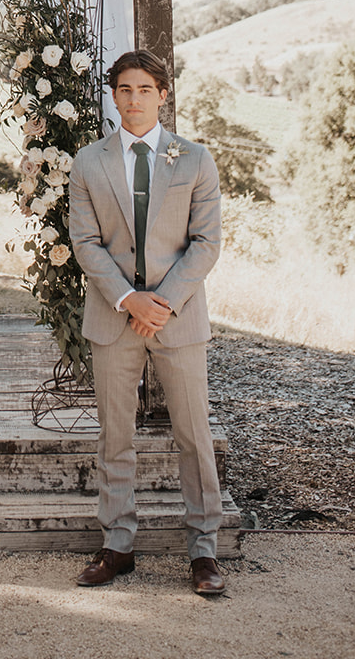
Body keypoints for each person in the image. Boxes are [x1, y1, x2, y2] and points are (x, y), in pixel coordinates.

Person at [67, 49, 225, 597]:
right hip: (114, 316)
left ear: (163, 94)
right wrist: (129, 299)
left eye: (144, 90)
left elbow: (206, 243)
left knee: (193, 435)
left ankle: (203, 550)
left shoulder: (195, 159)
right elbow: (85, 243)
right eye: (124, 90)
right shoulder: (89, 162)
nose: (134, 100)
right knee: (115, 435)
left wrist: (163, 302)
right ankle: (117, 544)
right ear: (114, 96)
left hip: (178, 318)